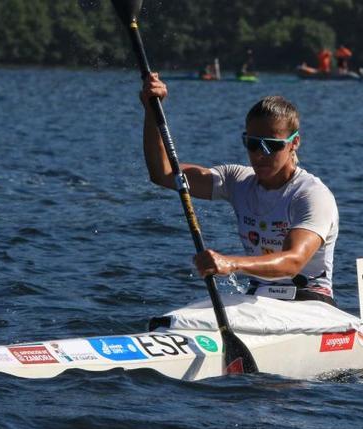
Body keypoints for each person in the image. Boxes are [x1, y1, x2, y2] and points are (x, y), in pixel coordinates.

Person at [139, 73, 340, 306]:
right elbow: (163, 174)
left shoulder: (311, 195)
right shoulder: (237, 180)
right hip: (258, 300)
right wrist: (152, 110)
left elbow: (293, 262)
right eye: (252, 143)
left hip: (310, 303)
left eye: (271, 146)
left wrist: (230, 263)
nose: (259, 154)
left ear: (294, 143)